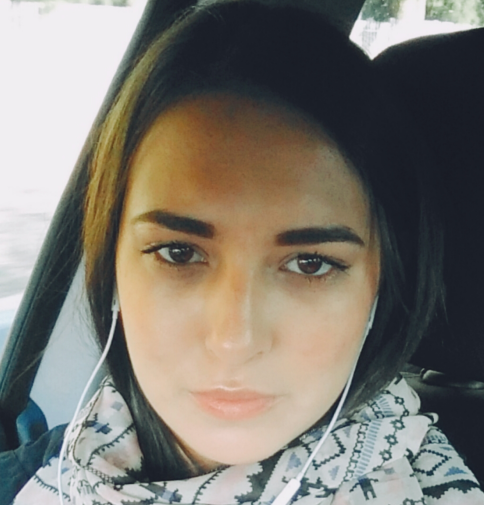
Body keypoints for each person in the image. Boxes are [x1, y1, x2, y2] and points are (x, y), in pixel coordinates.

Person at [3, 1, 483, 504]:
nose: (234, 340)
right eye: (179, 253)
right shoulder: (38, 475)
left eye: (310, 264)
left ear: (379, 286)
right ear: (113, 264)